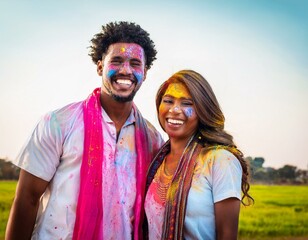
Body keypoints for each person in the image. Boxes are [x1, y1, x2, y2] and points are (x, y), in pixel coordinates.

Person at [5, 21, 164, 240]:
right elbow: (27, 199)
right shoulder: (59, 123)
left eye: (135, 63)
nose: (125, 70)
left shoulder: (153, 139)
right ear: (100, 66)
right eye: (116, 61)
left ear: (144, 72)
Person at [144, 70, 254, 240]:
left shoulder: (220, 160)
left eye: (187, 103)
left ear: (203, 110)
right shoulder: (156, 161)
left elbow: (227, 235)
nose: (174, 110)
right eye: (168, 101)